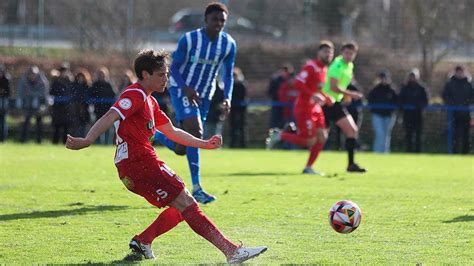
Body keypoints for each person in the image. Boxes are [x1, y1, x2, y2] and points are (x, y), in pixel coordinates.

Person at [65, 49, 267, 263]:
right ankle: (232, 251)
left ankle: (144, 241)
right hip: (140, 162)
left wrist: (204, 144)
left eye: (167, 74)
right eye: (161, 75)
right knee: (187, 203)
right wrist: (87, 140)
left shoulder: (150, 102)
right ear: (145, 74)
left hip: (134, 167)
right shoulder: (135, 94)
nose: (166, 79)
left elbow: (172, 131)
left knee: (183, 206)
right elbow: (110, 115)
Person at [154, 2, 237, 204]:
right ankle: (197, 188)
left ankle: (155, 134)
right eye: (214, 19)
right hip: (182, 89)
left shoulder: (228, 44)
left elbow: (228, 74)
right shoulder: (189, 39)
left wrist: (227, 97)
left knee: (183, 146)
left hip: (205, 95)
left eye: (222, 21)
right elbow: (173, 68)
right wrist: (186, 88)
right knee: (196, 132)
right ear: (205, 20)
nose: (218, 23)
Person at [266, 41, 334, 175]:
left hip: (316, 108)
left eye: (330, 52)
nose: (328, 54)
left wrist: (326, 97)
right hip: (304, 108)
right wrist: (313, 95)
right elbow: (297, 83)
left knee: (322, 137)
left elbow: (316, 89)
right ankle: (280, 135)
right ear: (319, 53)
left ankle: (309, 167)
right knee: (309, 141)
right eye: (325, 51)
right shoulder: (311, 66)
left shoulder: (324, 69)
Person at [322, 42, 366, 172]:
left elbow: (341, 86)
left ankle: (351, 164)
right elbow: (333, 87)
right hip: (326, 103)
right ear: (342, 53)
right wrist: (351, 94)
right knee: (316, 138)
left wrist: (345, 96)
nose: (349, 56)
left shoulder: (350, 66)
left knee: (352, 130)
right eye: (346, 53)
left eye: (351, 54)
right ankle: (285, 134)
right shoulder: (337, 65)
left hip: (335, 103)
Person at [442, 65, 474, 154]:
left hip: (466, 113)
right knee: (454, 135)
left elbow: (472, 97)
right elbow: (445, 96)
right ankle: (453, 152)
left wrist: (466, 104)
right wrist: (453, 104)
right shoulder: (450, 83)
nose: (459, 73)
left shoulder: (469, 83)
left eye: (461, 71)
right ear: (455, 72)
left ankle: (465, 153)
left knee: (466, 135)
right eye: (458, 71)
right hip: (453, 114)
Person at [17, 65, 49, 143]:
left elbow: (43, 93)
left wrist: (31, 93)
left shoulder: (42, 81)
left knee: (39, 123)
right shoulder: (23, 80)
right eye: (31, 74)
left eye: (34, 74)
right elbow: (21, 93)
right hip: (27, 104)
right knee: (26, 122)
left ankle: (39, 140)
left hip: (39, 105)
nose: (32, 76)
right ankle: (23, 140)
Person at [368, 70, 398, 153]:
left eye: (385, 78)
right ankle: (377, 152)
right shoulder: (375, 89)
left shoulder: (392, 90)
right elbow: (370, 100)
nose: (384, 80)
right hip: (377, 115)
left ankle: (385, 152)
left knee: (386, 135)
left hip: (389, 115)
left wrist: (392, 111)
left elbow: (397, 101)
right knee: (379, 134)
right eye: (382, 78)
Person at [398, 68, 428, 153]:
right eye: (411, 76)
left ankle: (418, 152)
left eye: (414, 76)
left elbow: (425, 101)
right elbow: (400, 100)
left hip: (418, 115)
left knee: (418, 135)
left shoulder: (421, 88)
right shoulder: (404, 88)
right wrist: (404, 107)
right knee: (408, 135)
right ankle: (408, 151)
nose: (412, 78)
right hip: (407, 115)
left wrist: (419, 105)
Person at [90, 67, 117, 144]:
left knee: (108, 128)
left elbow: (114, 95)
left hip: (108, 111)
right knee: (98, 128)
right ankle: (99, 144)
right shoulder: (95, 84)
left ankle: (107, 144)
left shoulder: (109, 84)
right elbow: (91, 95)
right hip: (98, 110)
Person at [50, 63, 74, 144]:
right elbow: (52, 92)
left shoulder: (70, 81)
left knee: (66, 127)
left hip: (67, 108)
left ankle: (65, 143)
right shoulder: (56, 81)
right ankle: (55, 142)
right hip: (57, 108)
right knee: (57, 126)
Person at [268, 64, 294, 129]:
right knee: (276, 124)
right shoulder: (276, 80)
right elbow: (270, 92)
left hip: (288, 107)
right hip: (277, 105)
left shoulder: (291, 80)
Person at [70, 69, 92, 137]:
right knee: (76, 126)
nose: (80, 79)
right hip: (76, 110)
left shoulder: (88, 86)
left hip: (85, 110)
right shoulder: (74, 86)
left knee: (85, 126)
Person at [230, 67, 248, 148]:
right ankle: (233, 144)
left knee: (242, 127)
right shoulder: (231, 86)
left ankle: (243, 144)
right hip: (233, 109)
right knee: (233, 127)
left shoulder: (242, 85)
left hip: (241, 109)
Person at [0, 65, 10, 142]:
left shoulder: (6, 79)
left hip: (3, 101)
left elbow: (7, 92)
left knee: (3, 121)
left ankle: (3, 138)